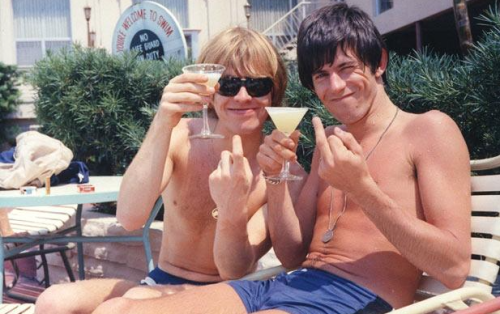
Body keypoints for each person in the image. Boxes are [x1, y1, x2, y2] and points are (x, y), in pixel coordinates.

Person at [92, 3, 471, 313]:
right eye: (321, 75)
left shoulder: (428, 130)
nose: (335, 86)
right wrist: (276, 177)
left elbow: (454, 269)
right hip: (286, 285)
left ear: (380, 62)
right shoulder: (330, 143)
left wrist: (363, 188)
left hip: (354, 298)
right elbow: (292, 255)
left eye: (346, 68)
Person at [35, 27, 305, 314]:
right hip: (160, 280)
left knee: (117, 310)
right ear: (209, 91)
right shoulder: (180, 137)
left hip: (225, 292)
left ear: (274, 93)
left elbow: (234, 269)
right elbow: (129, 216)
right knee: (52, 302)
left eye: (257, 86)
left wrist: (231, 208)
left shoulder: (281, 170)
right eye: (227, 84)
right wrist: (163, 120)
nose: (241, 96)